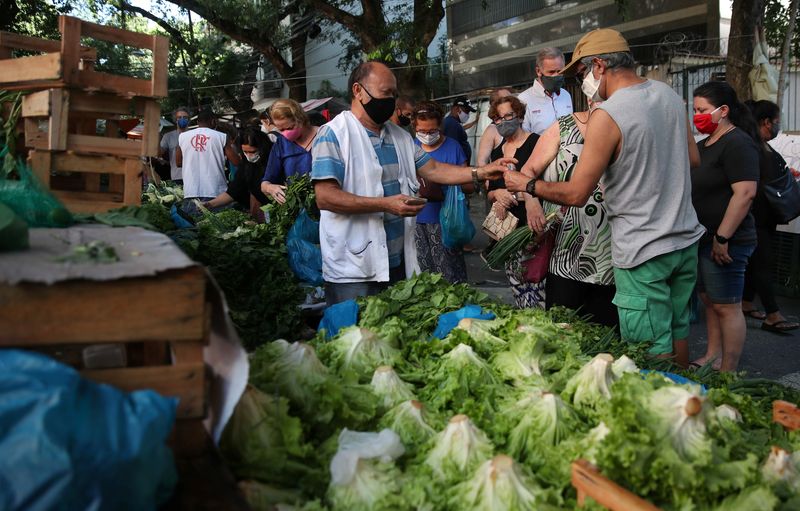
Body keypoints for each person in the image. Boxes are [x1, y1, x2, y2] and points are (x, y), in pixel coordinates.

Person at [503, 29, 704, 368]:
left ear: (598, 65)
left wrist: (528, 185)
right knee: (677, 330)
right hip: (684, 242)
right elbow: (692, 159)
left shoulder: (608, 114)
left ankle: (660, 413)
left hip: (644, 251)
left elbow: (578, 193)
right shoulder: (667, 95)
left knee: (650, 349)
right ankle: (686, 397)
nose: (582, 83)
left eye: (581, 74)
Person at [311, 61, 508, 306]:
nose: (391, 101)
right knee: (353, 335)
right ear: (358, 91)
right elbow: (326, 197)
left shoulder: (401, 137)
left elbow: (435, 170)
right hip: (354, 269)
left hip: (397, 262)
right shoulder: (333, 135)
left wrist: (481, 171)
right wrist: (385, 204)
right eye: (385, 93)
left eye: (394, 94)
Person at [519, 99, 617, 328]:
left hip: (612, 250)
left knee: (607, 332)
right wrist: (532, 204)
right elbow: (528, 171)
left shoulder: (623, 127)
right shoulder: (564, 127)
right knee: (564, 328)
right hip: (566, 247)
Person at [689, 82, 760, 371]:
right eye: (694, 110)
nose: (697, 116)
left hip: (727, 240)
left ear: (724, 111)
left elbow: (745, 193)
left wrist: (722, 236)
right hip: (705, 238)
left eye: (703, 110)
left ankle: (728, 369)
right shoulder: (703, 145)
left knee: (727, 305)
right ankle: (712, 356)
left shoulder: (737, 143)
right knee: (711, 302)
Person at [741, 100, 799, 333]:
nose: (777, 127)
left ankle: (746, 302)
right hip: (758, 217)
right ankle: (773, 314)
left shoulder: (758, 144)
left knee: (755, 262)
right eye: (776, 122)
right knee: (762, 263)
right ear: (765, 122)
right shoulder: (753, 147)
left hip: (764, 215)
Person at [486, 95, 541, 308]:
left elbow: (544, 184)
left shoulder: (537, 143)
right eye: (497, 119)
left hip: (533, 226)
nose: (503, 122)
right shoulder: (496, 153)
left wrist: (518, 195)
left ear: (519, 115)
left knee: (537, 282)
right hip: (507, 231)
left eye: (507, 115)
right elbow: (490, 191)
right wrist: (497, 196)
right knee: (517, 285)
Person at [412, 100, 469, 283]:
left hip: (448, 222)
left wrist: (447, 184)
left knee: (451, 275)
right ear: (415, 127)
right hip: (417, 222)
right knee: (425, 276)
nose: (427, 135)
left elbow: (468, 184)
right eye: (422, 131)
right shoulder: (410, 147)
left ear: (440, 127)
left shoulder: (453, 147)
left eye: (432, 131)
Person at [260, 99, 319, 204]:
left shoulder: (323, 135)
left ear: (300, 119)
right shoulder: (281, 144)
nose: (286, 133)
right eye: (281, 130)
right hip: (299, 207)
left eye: (290, 128)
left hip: (327, 204)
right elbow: (265, 184)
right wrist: (270, 188)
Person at [176, 109, 241, 201]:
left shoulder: (182, 136)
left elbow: (178, 163)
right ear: (213, 121)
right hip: (215, 190)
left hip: (191, 190)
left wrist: (193, 162)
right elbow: (236, 162)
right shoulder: (222, 137)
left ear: (198, 122)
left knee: (193, 215)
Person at [204, 128, 272, 214]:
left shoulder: (274, 161)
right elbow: (234, 191)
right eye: (245, 152)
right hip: (267, 209)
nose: (249, 156)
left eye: (252, 152)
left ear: (262, 149)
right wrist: (210, 204)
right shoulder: (246, 166)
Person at [517, 48, 573, 135]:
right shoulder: (523, 99)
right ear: (538, 71)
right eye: (551, 72)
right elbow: (523, 138)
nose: (556, 75)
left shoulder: (566, 95)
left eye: (560, 71)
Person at [476, 88, 513, 166]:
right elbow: (481, 163)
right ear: (496, 105)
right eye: (507, 100)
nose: (512, 102)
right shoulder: (492, 130)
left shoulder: (519, 122)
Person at [442, 95, 476, 164]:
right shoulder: (451, 124)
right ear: (457, 108)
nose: (468, 114)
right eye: (466, 111)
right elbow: (452, 150)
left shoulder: (454, 123)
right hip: (458, 168)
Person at [160, 106, 190, 182]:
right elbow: (160, 153)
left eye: (185, 117)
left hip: (194, 176)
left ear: (189, 120)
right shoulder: (168, 136)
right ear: (175, 120)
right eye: (179, 117)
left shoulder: (195, 135)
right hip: (177, 177)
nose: (182, 119)